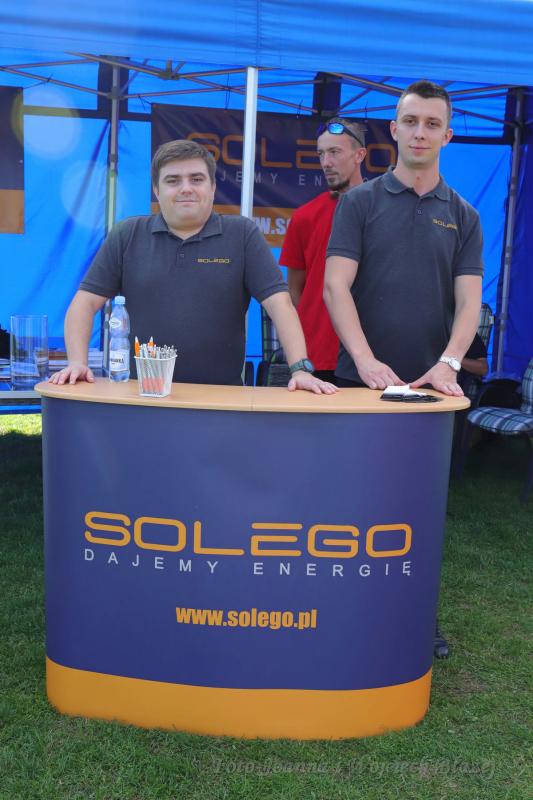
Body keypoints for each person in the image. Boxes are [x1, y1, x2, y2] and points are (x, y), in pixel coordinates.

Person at [324, 80, 484, 658]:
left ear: (447, 135)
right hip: (358, 383)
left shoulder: (464, 215)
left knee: (417, 514)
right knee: (350, 507)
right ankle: (341, 615)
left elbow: (470, 303)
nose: (420, 132)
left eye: (431, 123)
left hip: (430, 392)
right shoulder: (359, 203)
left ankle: (415, 620)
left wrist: (447, 363)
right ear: (393, 130)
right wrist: (366, 361)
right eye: (410, 121)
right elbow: (335, 286)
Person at [50, 140, 337, 396]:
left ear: (212, 187)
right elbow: (84, 303)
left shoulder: (242, 234)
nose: (186, 188)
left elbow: (280, 304)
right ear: (156, 190)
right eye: (173, 180)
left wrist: (300, 369)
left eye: (196, 179)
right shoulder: (127, 234)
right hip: (141, 396)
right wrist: (77, 362)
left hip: (220, 401)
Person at [280, 118, 366, 383]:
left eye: (335, 152)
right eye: (321, 154)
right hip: (316, 356)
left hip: (373, 356)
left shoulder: (384, 212)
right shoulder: (304, 217)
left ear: (359, 155)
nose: (326, 162)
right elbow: (295, 291)